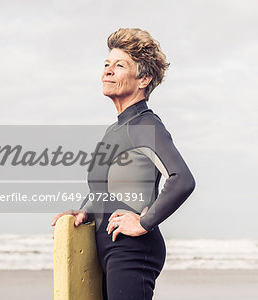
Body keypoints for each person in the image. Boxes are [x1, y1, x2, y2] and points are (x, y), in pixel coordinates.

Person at [51, 28, 196, 300]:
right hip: (108, 247)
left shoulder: (145, 125)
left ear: (144, 78)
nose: (107, 71)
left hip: (132, 250)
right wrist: (83, 213)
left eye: (119, 65)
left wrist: (144, 222)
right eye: (106, 64)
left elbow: (182, 179)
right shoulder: (114, 131)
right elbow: (105, 192)